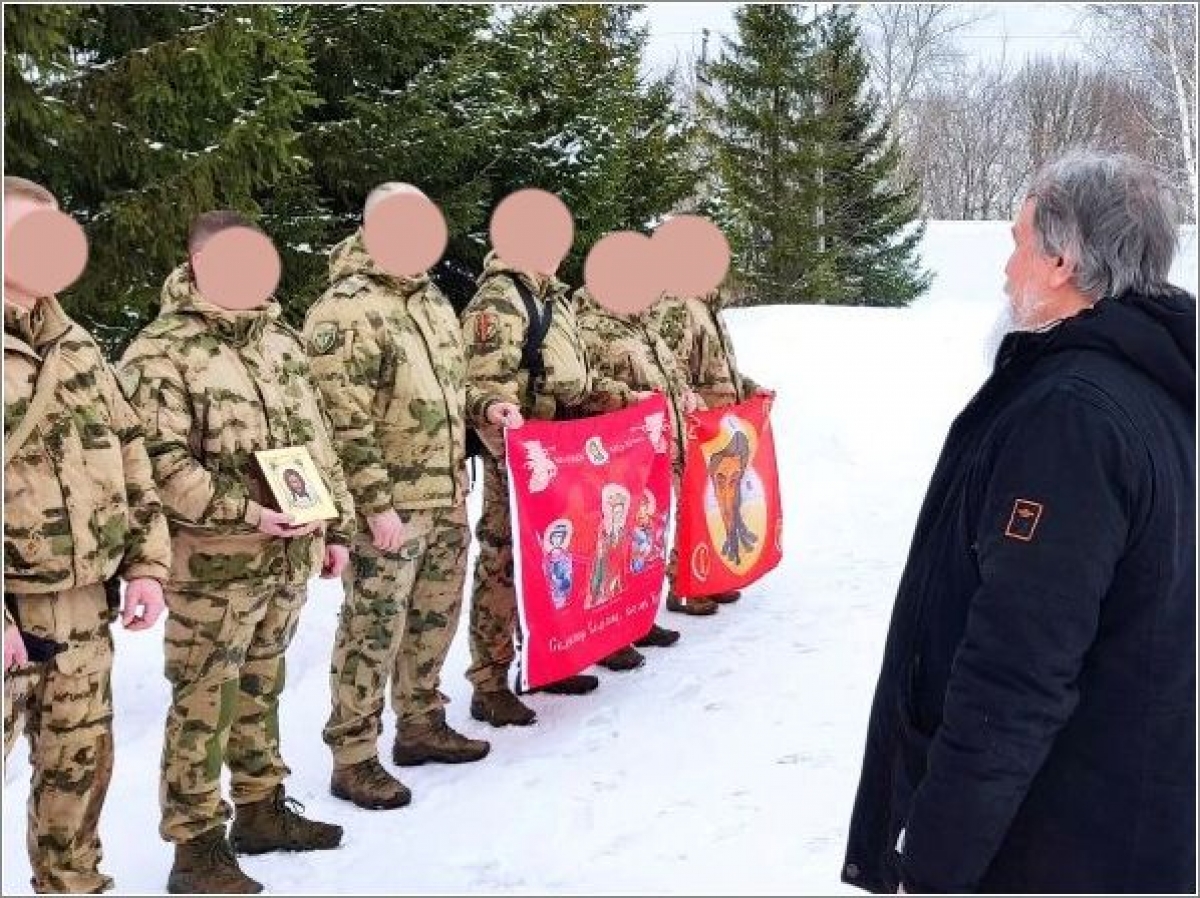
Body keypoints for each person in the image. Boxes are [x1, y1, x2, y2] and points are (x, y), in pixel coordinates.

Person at [843, 151, 1196, 894]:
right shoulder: (1153, 383)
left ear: (1062, 260)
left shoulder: (1074, 416)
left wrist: (933, 864)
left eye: (1018, 242)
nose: (1007, 270)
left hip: (1057, 844)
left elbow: (1017, 670)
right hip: (1126, 826)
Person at [119, 211, 356, 894]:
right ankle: (195, 846)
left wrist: (334, 525)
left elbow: (317, 438)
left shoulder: (279, 340)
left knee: (261, 684)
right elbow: (158, 463)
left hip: (285, 558)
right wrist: (247, 512)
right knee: (204, 701)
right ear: (198, 264)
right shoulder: (160, 352)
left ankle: (260, 808)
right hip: (213, 565)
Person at [3, 175, 173, 895]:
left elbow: (128, 452)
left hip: (79, 612)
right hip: (10, 611)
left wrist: (147, 564)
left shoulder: (75, 346)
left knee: (77, 773)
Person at [303, 183, 488, 814]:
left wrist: (483, 421)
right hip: (389, 506)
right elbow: (342, 422)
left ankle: (421, 723)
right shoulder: (346, 310)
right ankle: (353, 755)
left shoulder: (431, 301)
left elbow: (452, 391)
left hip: (445, 493)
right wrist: (374, 505)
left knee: (435, 616)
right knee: (373, 626)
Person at [461, 245, 670, 727]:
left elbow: (577, 384)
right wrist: (516, 459)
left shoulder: (555, 301)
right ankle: (490, 683)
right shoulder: (500, 300)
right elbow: (481, 386)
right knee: (504, 563)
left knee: (557, 560)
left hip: (560, 458)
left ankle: (548, 659)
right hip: (524, 462)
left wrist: (629, 399)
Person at [574, 287, 711, 623]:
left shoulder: (644, 326)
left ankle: (655, 605)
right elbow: (587, 388)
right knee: (624, 536)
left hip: (669, 442)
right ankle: (619, 621)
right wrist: (631, 398)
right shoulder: (589, 326)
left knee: (656, 530)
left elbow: (673, 374)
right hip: (628, 452)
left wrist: (686, 394)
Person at [656, 289, 770, 604]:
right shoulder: (679, 306)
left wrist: (748, 388)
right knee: (692, 503)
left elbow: (719, 370)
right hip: (697, 426)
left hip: (721, 427)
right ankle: (683, 585)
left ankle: (708, 578)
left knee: (716, 506)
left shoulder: (710, 308)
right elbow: (672, 369)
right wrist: (690, 402)